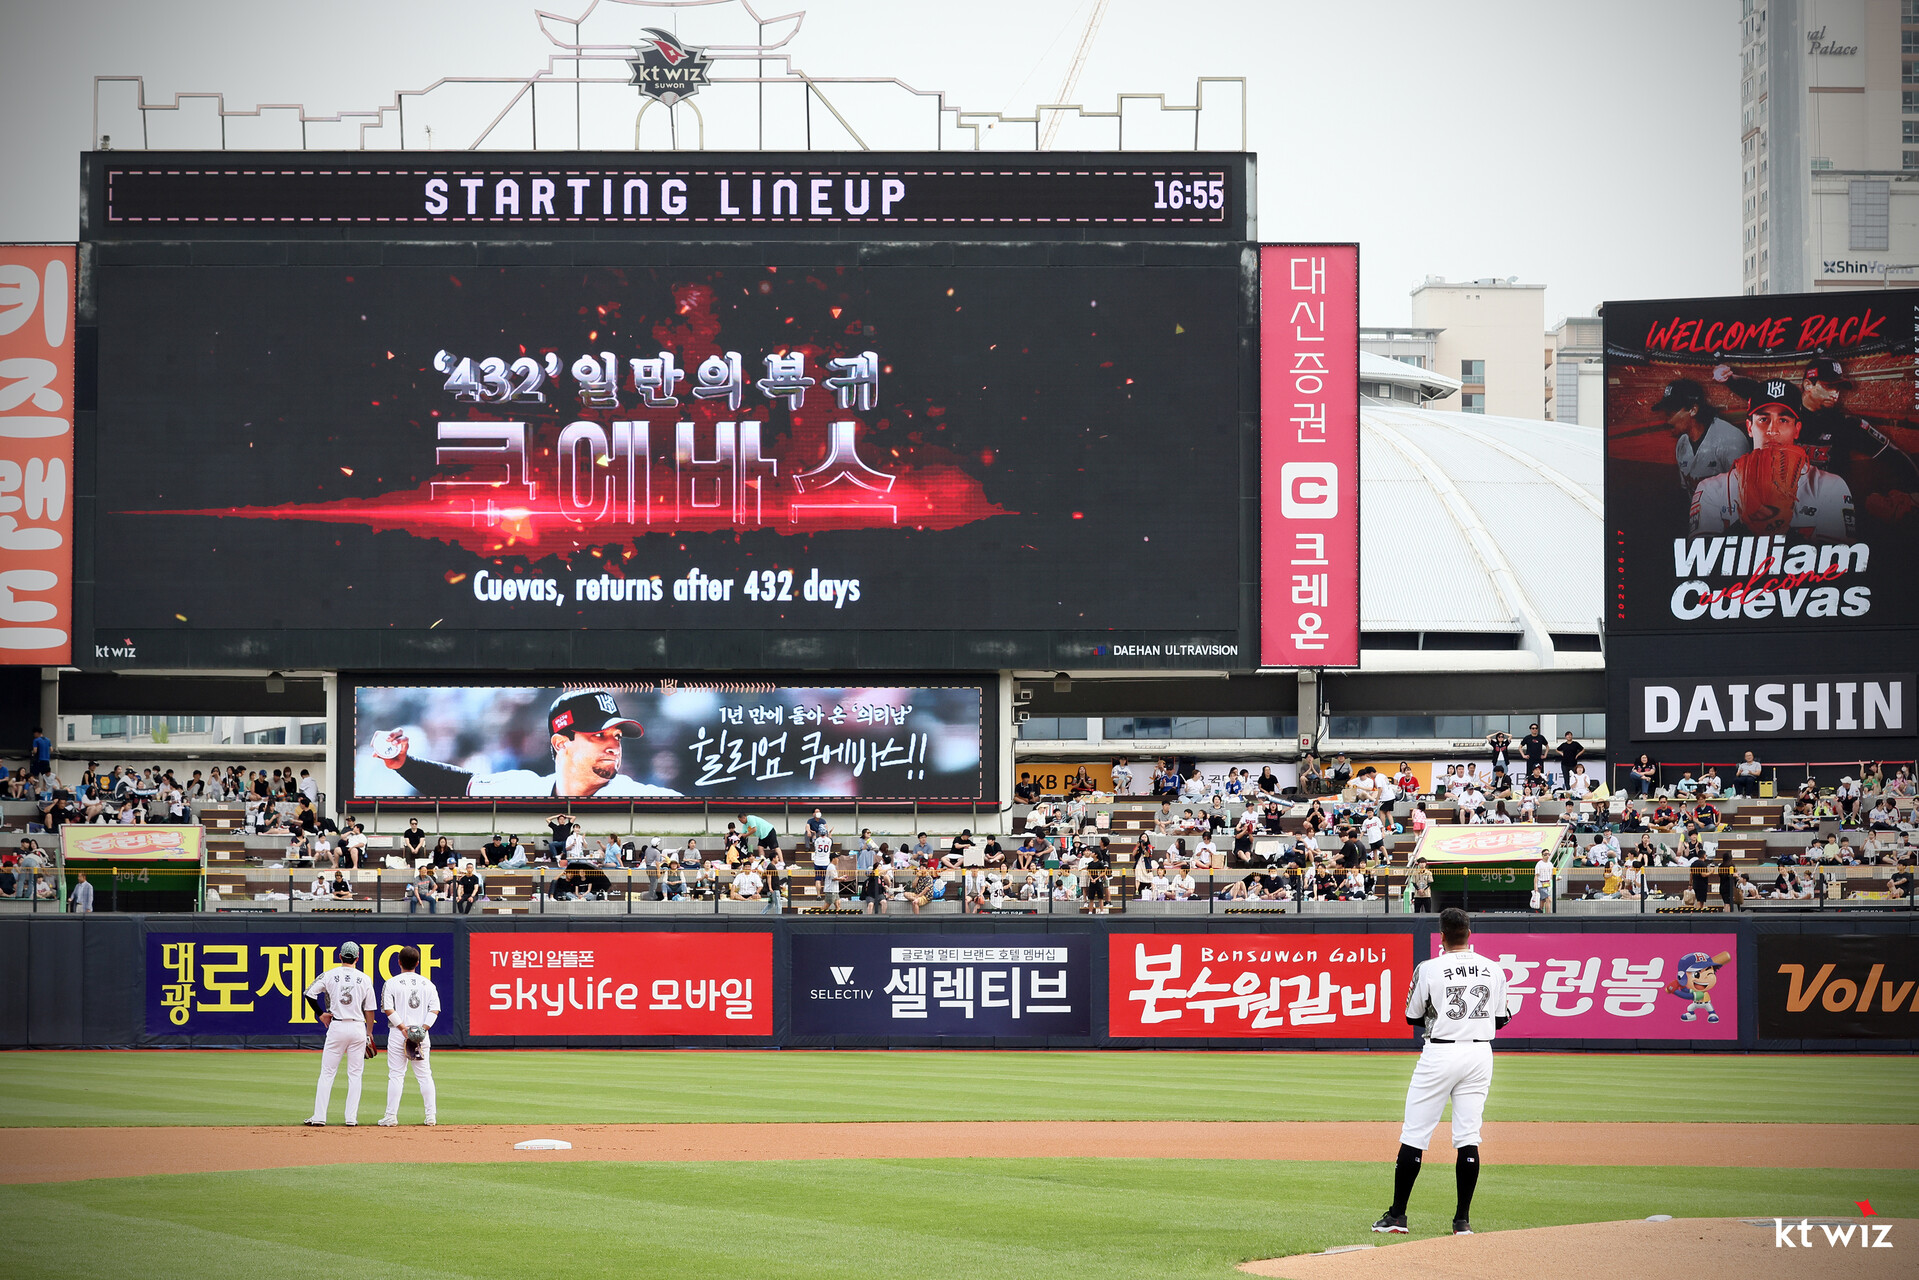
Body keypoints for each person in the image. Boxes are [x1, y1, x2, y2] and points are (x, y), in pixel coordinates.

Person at [1372, 908, 1510, 1238]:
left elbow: (1412, 1015)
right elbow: (1502, 1019)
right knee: (1468, 1135)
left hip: (1441, 1050)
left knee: (1415, 1133)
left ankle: (1397, 1216)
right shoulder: (1494, 969)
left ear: (1442, 936)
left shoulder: (1430, 968)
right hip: (1480, 1053)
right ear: (1469, 933)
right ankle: (1462, 1221)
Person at [372, 690, 680, 797]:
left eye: (616, 735)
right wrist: (403, 763)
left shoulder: (644, 797)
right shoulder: (525, 786)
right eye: (598, 735)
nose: (613, 744)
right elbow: (456, 783)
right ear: (561, 743)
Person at [1691, 383, 1855, 541]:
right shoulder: (1711, 489)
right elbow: (1701, 563)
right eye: (1763, 419)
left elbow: (1837, 563)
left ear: (1797, 429)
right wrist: (1749, 526)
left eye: (1783, 419)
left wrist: (1777, 530)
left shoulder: (1830, 487)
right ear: (1749, 427)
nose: (1772, 429)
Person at [303, 941, 377, 1126]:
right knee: (355, 1074)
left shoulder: (330, 974)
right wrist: (369, 1032)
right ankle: (351, 1118)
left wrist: (321, 1014)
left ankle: (319, 1117)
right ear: (357, 958)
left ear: (340, 956)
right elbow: (370, 1010)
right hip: (358, 1027)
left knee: (327, 1073)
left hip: (337, 1027)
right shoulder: (365, 978)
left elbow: (309, 993)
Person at [377, 944, 440, 1127]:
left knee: (396, 1075)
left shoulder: (391, 982)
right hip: (421, 1035)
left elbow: (388, 1009)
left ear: (398, 962)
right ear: (417, 963)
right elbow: (434, 1009)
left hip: (398, 1033)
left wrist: (404, 1028)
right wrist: (422, 1029)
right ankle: (430, 1117)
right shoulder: (428, 983)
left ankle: (391, 1117)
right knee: (425, 1075)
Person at [1656, 377, 1750, 489]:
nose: (1667, 420)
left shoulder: (1732, 440)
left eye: (1670, 412)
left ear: (1693, 410)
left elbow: (1743, 496)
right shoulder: (1682, 444)